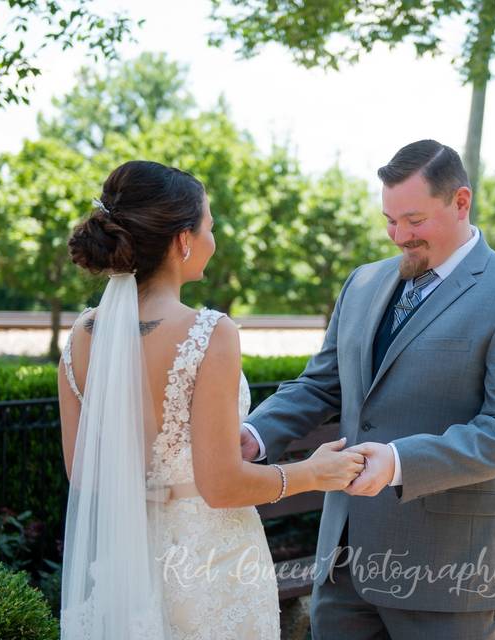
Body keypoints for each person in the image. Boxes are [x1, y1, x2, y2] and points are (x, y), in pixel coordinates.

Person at [241, 140, 495, 639]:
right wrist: (254, 434)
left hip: (451, 575)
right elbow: (322, 384)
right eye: (390, 220)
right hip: (343, 565)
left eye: (414, 220)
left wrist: (399, 461)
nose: (399, 236)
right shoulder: (362, 283)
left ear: (460, 202)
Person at [56, 160, 365, 640]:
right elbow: (220, 486)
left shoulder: (82, 335)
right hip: (209, 564)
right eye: (209, 227)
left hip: (124, 560)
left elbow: (83, 472)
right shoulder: (209, 333)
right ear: (183, 240)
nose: (212, 240)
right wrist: (313, 473)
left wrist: (151, 488)